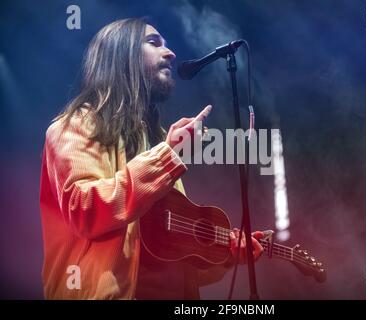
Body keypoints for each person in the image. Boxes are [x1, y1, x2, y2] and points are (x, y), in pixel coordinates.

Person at [39, 18, 263, 299]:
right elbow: (86, 210)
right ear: (121, 56)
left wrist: (228, 254)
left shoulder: (154, 139)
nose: (170, 53)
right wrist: (168, 157)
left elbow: (168, 255)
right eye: (154, 43)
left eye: (167, 45)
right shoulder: (72, 126)